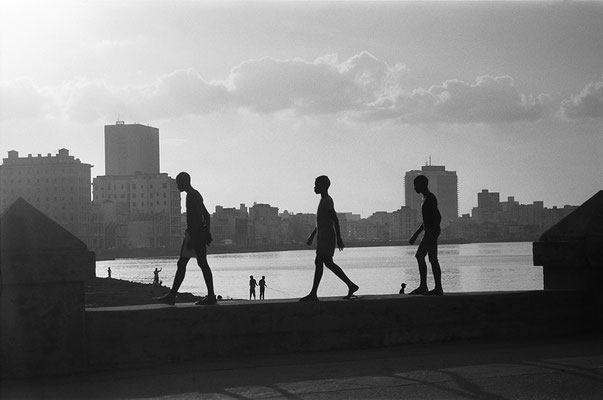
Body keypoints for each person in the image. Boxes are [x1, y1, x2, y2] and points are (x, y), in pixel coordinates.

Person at [154, 172, 217, 305]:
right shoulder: (196, 195)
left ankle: (172, 296)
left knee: (183, 264)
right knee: (201, 264)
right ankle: (210, 295)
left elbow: (197, 219)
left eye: (178, 183)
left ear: (184, 182)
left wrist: (194, 238)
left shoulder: (191, 196)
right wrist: (207, 232)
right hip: (197, 234)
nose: (177, 186)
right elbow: (206, 214)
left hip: (193, 235)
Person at [300, 175, 358, 301]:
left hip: (327, 238)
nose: (314, 187)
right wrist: (312, 235)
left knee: (320, 262)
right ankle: (351, 285)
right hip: (323, 237)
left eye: (317, 184)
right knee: (327, 263)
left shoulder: (327, 201)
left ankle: (313, 294)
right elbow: (322, 222)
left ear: (324, 186)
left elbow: (335, 219)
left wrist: (339, 238)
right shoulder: (323, 201)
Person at [409, 175, 443, 295]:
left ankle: (426, 286)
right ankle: (434, 287)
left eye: (416, 185)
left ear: (422, 185)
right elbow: (426, 221)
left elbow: (438, 217)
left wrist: (433, 232)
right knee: (432, 259)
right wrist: (416, 235)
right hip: (429, 232)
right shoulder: (425, 198)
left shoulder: (430, 198)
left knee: (420, 256)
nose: (414, 188)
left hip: (431, 233)